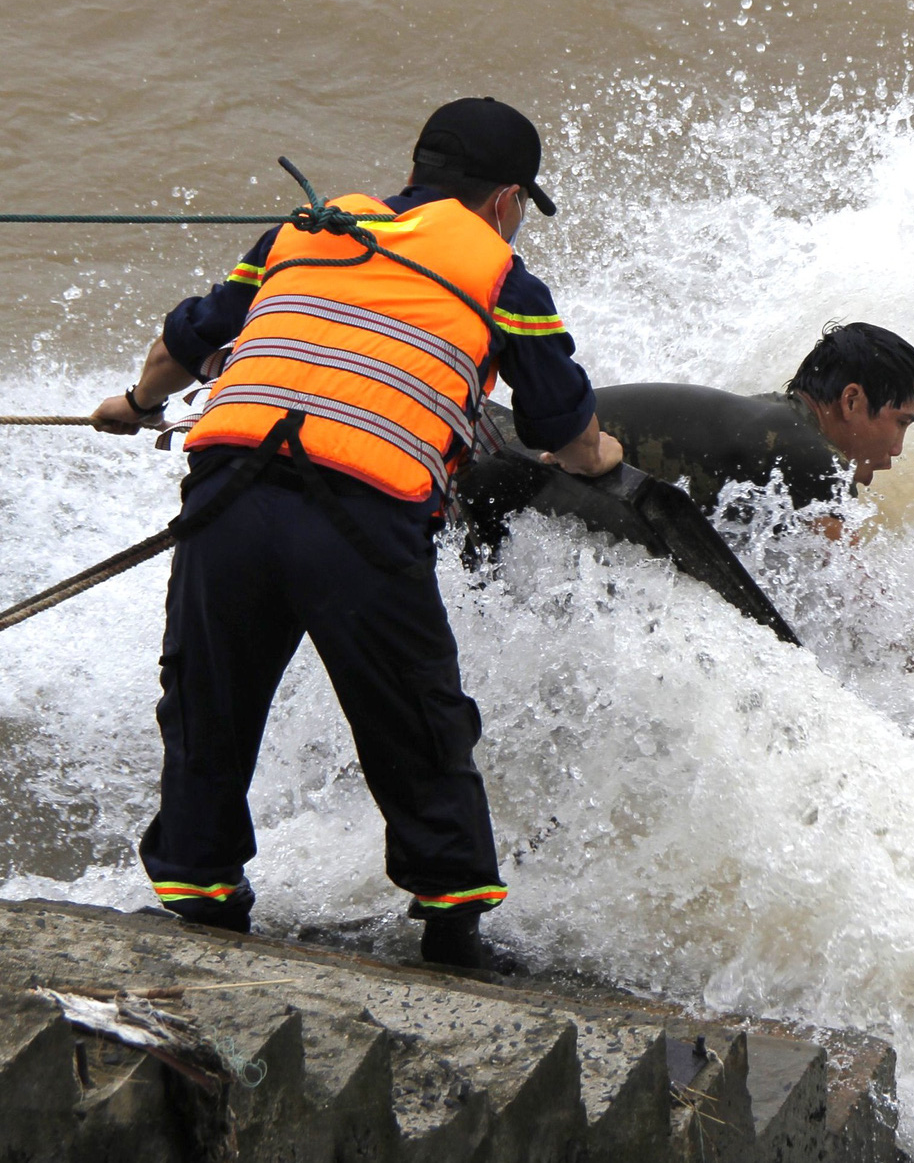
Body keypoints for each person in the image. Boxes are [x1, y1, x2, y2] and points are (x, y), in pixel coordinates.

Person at [90, 97, 622, 969]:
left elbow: (190, 335)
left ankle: (204, 899)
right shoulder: (503, 278)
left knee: (206, 704)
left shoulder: (297, 235)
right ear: (505, 200)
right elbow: (562, 425)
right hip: (361, 515)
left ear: (415, 174)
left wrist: (134, 407)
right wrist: (603, 460)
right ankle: (453, 930)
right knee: (417, 720)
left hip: (228, 499)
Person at [593, 321, 914, 539]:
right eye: (900, 422)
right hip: (565, 446)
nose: (897, 449)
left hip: (560, 443)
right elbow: (866, 610)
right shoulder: (813, 459)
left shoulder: (775, 423)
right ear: (851, 400)